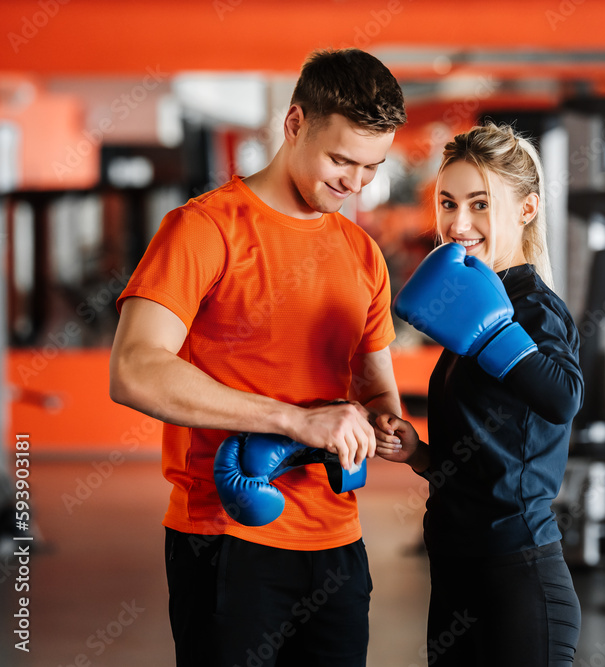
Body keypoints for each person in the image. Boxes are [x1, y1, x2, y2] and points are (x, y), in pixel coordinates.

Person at [108, 48, 406, 666]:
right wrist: (295, 420)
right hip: (225, 539)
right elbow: (135, 367)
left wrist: (387, 427)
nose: (355, 183)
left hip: (337, 543)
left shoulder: (362, 253)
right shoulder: (203, 229)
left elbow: (378, 394)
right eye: (341, 159)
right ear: (294, 123)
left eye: (372, 167)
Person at [376, 123, 584, 667]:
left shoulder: (532, 309)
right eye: (447, 202)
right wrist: (417, 453)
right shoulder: (468, 297)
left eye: (479, 203)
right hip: (455, 570)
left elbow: (563, 398)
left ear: (527, 209)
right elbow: (486, 453)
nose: (458, 223)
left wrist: (496, 333)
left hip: (515, 576)